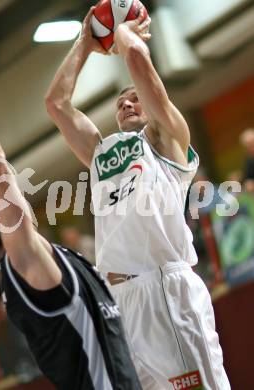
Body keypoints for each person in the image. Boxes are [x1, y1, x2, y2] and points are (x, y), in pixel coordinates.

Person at [0, 37, 142, 390]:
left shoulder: (23, 266)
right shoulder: (24, 261)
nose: (15, 198)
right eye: (4, 204)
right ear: (1, 222)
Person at [45, 6, 230, 390]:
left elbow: (135, 59)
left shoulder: (168, 137)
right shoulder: (100, 153)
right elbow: (56, 104)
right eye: (120, 103)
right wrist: (84, 41)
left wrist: (124, 28)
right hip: (121, 300)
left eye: (134, 99)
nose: (127, 104)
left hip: (165, 289)